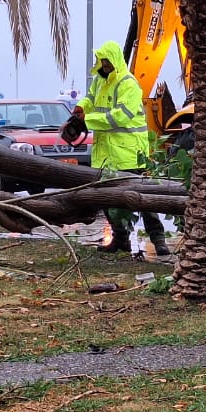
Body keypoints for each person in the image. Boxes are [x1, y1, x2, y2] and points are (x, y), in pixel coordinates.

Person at [71, 41, 171, 256]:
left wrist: (87, 120)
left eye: (107, 62)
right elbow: (90, 98)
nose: (104, 66)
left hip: (130, 154)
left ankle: (158, 239)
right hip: (106, 154)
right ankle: (121, 239)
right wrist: (81, 107)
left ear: (115, 61)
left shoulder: (129, 85)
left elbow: (120, 117)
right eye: (102, 62)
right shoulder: (99, 81)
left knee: (145, 200)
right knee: (109, 200)